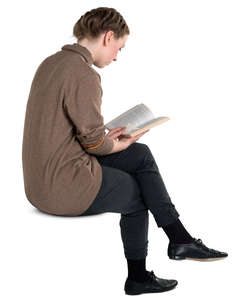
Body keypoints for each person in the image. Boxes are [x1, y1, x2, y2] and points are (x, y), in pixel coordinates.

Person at [22, 7, 228, 296]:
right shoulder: (84, 74)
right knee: (138, 193)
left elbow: (70, 128)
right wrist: (115, 143)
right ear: (108, 37)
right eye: (119, 47)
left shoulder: (51, 63)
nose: (117, 56)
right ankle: (139, 277)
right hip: (61, 187)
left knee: (140, 154)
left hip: (39, 182)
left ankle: (179, 239)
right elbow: (94, 145)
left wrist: (110, 137)